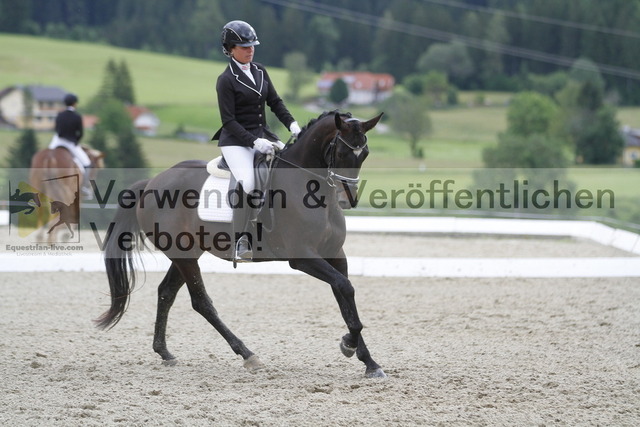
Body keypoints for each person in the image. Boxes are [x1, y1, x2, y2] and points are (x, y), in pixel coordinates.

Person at [212, 20, 301, 262]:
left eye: (252, 45)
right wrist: (253, 142)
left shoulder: (260, 70)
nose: (250, 50)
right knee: (248, 182)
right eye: (244, 47)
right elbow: (229, 121)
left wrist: (293, 125)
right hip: (235, 141)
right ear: (230, 49)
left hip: (263, 134)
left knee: (292, 166)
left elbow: (275, 102)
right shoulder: (226, 80)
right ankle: (241, 240)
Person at [48, 93, 93, 199]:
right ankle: (84, 188)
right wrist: (76, 141)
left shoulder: (59, 115)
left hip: (57, 141)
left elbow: (56, 129)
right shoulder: (77, 117)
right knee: (87, 164)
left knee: (47, 156)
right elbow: (80, 133)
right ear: (75, 104)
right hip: (70, 143)